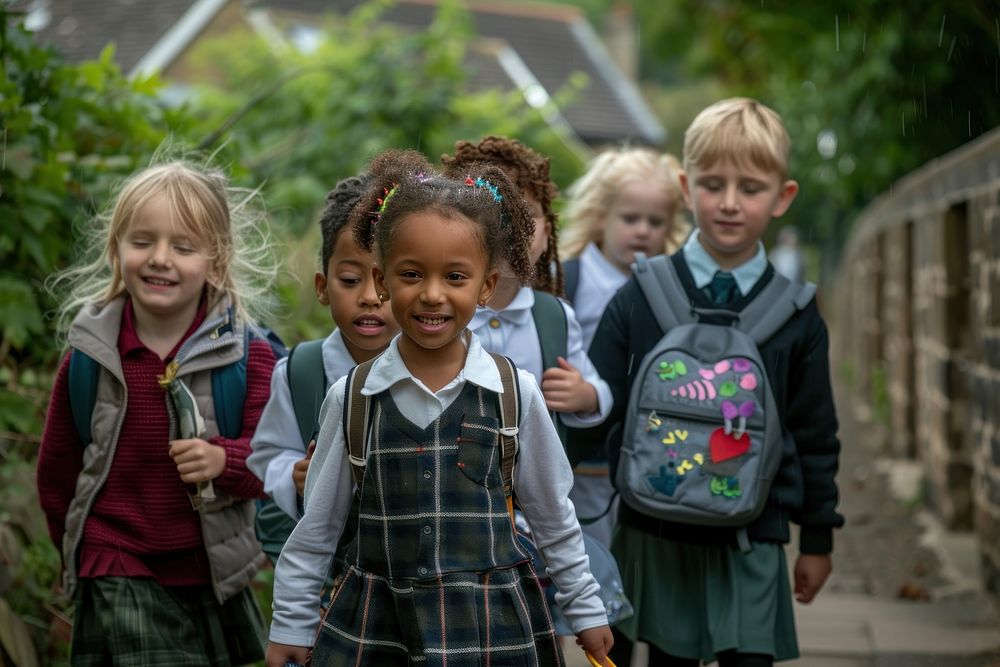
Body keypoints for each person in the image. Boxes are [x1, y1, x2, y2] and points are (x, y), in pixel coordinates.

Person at [264, 149, 614, 667]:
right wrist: (291, 622)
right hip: (378, 628)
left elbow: (552, 515)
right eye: (410, 274)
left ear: (487, 287)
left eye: (455, 277)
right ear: (382, 283)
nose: (432, 295)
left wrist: (585, 609)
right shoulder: (353, 399)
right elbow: (317, 529)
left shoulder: (514, 394)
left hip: (492, 630)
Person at [569, 98, 845, 666]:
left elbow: (814, 430)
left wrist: (817, 538)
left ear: (782, 197)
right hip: (651, 529)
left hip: (751, 536)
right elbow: (599, 400)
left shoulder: (796, 313)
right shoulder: (640, 294)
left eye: (750, 187)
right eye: (712, 184)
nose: (728, 203)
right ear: (685, 187)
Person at [38, 161, 279, 666]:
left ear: (216, 262)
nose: (160, 259)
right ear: (116, 249)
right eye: (142, 241)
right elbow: (58, 466)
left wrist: (223, 461)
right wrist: (77, 555)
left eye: (184, 247)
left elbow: (274, 460)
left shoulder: (247, 355)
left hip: (209, 570)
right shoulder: (91, 355)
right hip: (115, 558)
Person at [247, 174, 398, 560]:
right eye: (350, 280)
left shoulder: (443, 373)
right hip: (328, 576)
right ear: (322, 286)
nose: (369, 297)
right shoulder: (301, 373)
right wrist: (293, 475)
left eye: (389, 280)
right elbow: (268, 455)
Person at [559, 146, 689, 350]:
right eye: (630, 219)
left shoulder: (673, 288)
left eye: (655, 222)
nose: (643, 231)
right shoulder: (565, 280)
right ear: (602, 217)